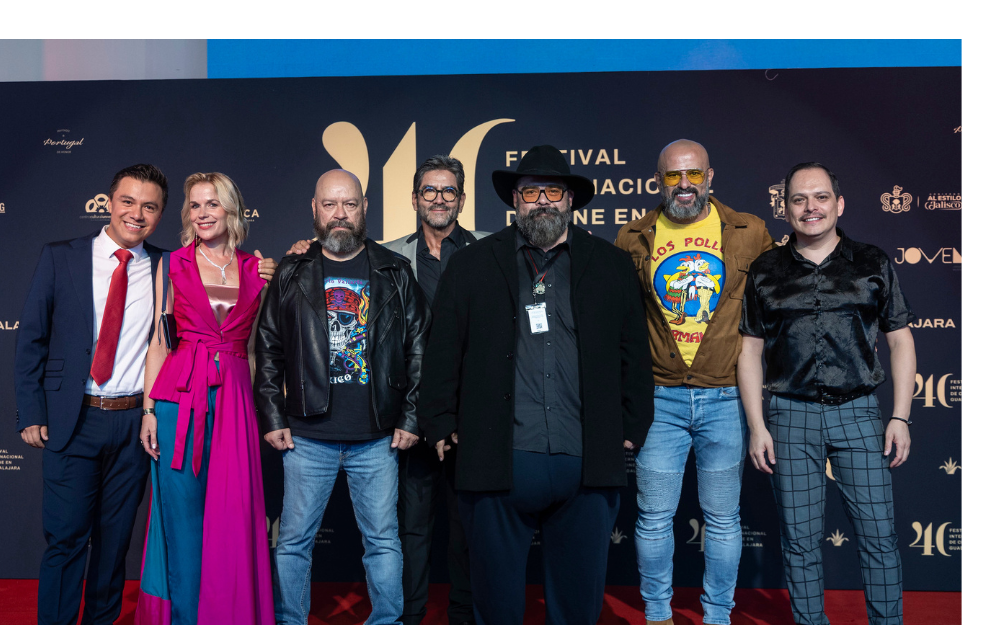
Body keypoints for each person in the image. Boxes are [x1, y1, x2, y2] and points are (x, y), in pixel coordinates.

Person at [418, 145, 654, 625]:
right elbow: (443, 351)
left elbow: (635, 352)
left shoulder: (610, 265)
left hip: (587, 463)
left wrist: (633, 425)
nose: (541, 201)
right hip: (496, 461)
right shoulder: (472, 264)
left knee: (576, 605)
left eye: (552, 191)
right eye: (530, 192)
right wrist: (439, 422)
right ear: (515, 201)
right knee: (496, 605)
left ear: (570, 199)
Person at [737, 162, 914, 625]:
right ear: (786, 209)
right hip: (789, 417)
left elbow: (900, 340)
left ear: (839, 204)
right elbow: (750, 352)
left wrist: (899, 416)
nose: (810, 208)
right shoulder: (765, 269)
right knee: (800, 539)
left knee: (878, 536)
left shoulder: (872, 262)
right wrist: (757, 425)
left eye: (819, 198)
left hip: (858, 414)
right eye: (799, 199)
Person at [255, 169, 431, 625]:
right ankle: (291, 620)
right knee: (293, 541)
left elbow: (418, 349)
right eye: (330, 204)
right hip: (307, 435)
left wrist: (410, 419)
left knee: (383, 541)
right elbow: (269, 346)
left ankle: (386, 621)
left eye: (349, 204)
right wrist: (273, 415)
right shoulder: (293, 271)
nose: (339, 214)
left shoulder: (395, 270)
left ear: (364, 208)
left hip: (376, 436)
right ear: (314, 210)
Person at [614, 139, 774, 625]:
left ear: (710, 177)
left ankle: (718, 616)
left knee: (724, 519)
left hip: (726, 396)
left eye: (692, 175)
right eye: (671, 176)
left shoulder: (750, 232)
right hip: (659, 398)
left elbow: (772, 312)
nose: (683, 185)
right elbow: (620, 323)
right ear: (658, 180)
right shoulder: (633, 237)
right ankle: (658, 615)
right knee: (654, 519)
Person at [14, 164, 168, 625]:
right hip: (72, 418)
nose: (136, 214)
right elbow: (31, 341)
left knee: (114, 541)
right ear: (109, 201)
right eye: (128, 201)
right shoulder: (60, 257)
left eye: (149, 206)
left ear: (160, 214)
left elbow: (226, 279)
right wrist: (31, 411)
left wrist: (268, 266)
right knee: (66, 538)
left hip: (131, 424)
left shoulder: (168, 266)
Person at [135, 172, 275, 625]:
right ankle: (185, 617)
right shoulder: (171, 264)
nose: (203, 213)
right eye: (194, 206)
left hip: (234, 398)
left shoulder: (257, 270)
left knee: (233, 520)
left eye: (212, 204)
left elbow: (255, 349)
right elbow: (160, 341)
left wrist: (251, 408)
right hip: (178, 396)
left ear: (231, 209)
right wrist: (149, 410)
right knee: (183, 519)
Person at [381, 154, 487, 625]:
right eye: (430, 190)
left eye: (449, 191)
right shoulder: (386, 256)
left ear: (462, 199)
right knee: (412, 528)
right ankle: (410, 615)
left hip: (472, 415)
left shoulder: (491, 251)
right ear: (414, 198)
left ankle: (465, 615)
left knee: (469, 529)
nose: (439, 199)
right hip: (410, 414)